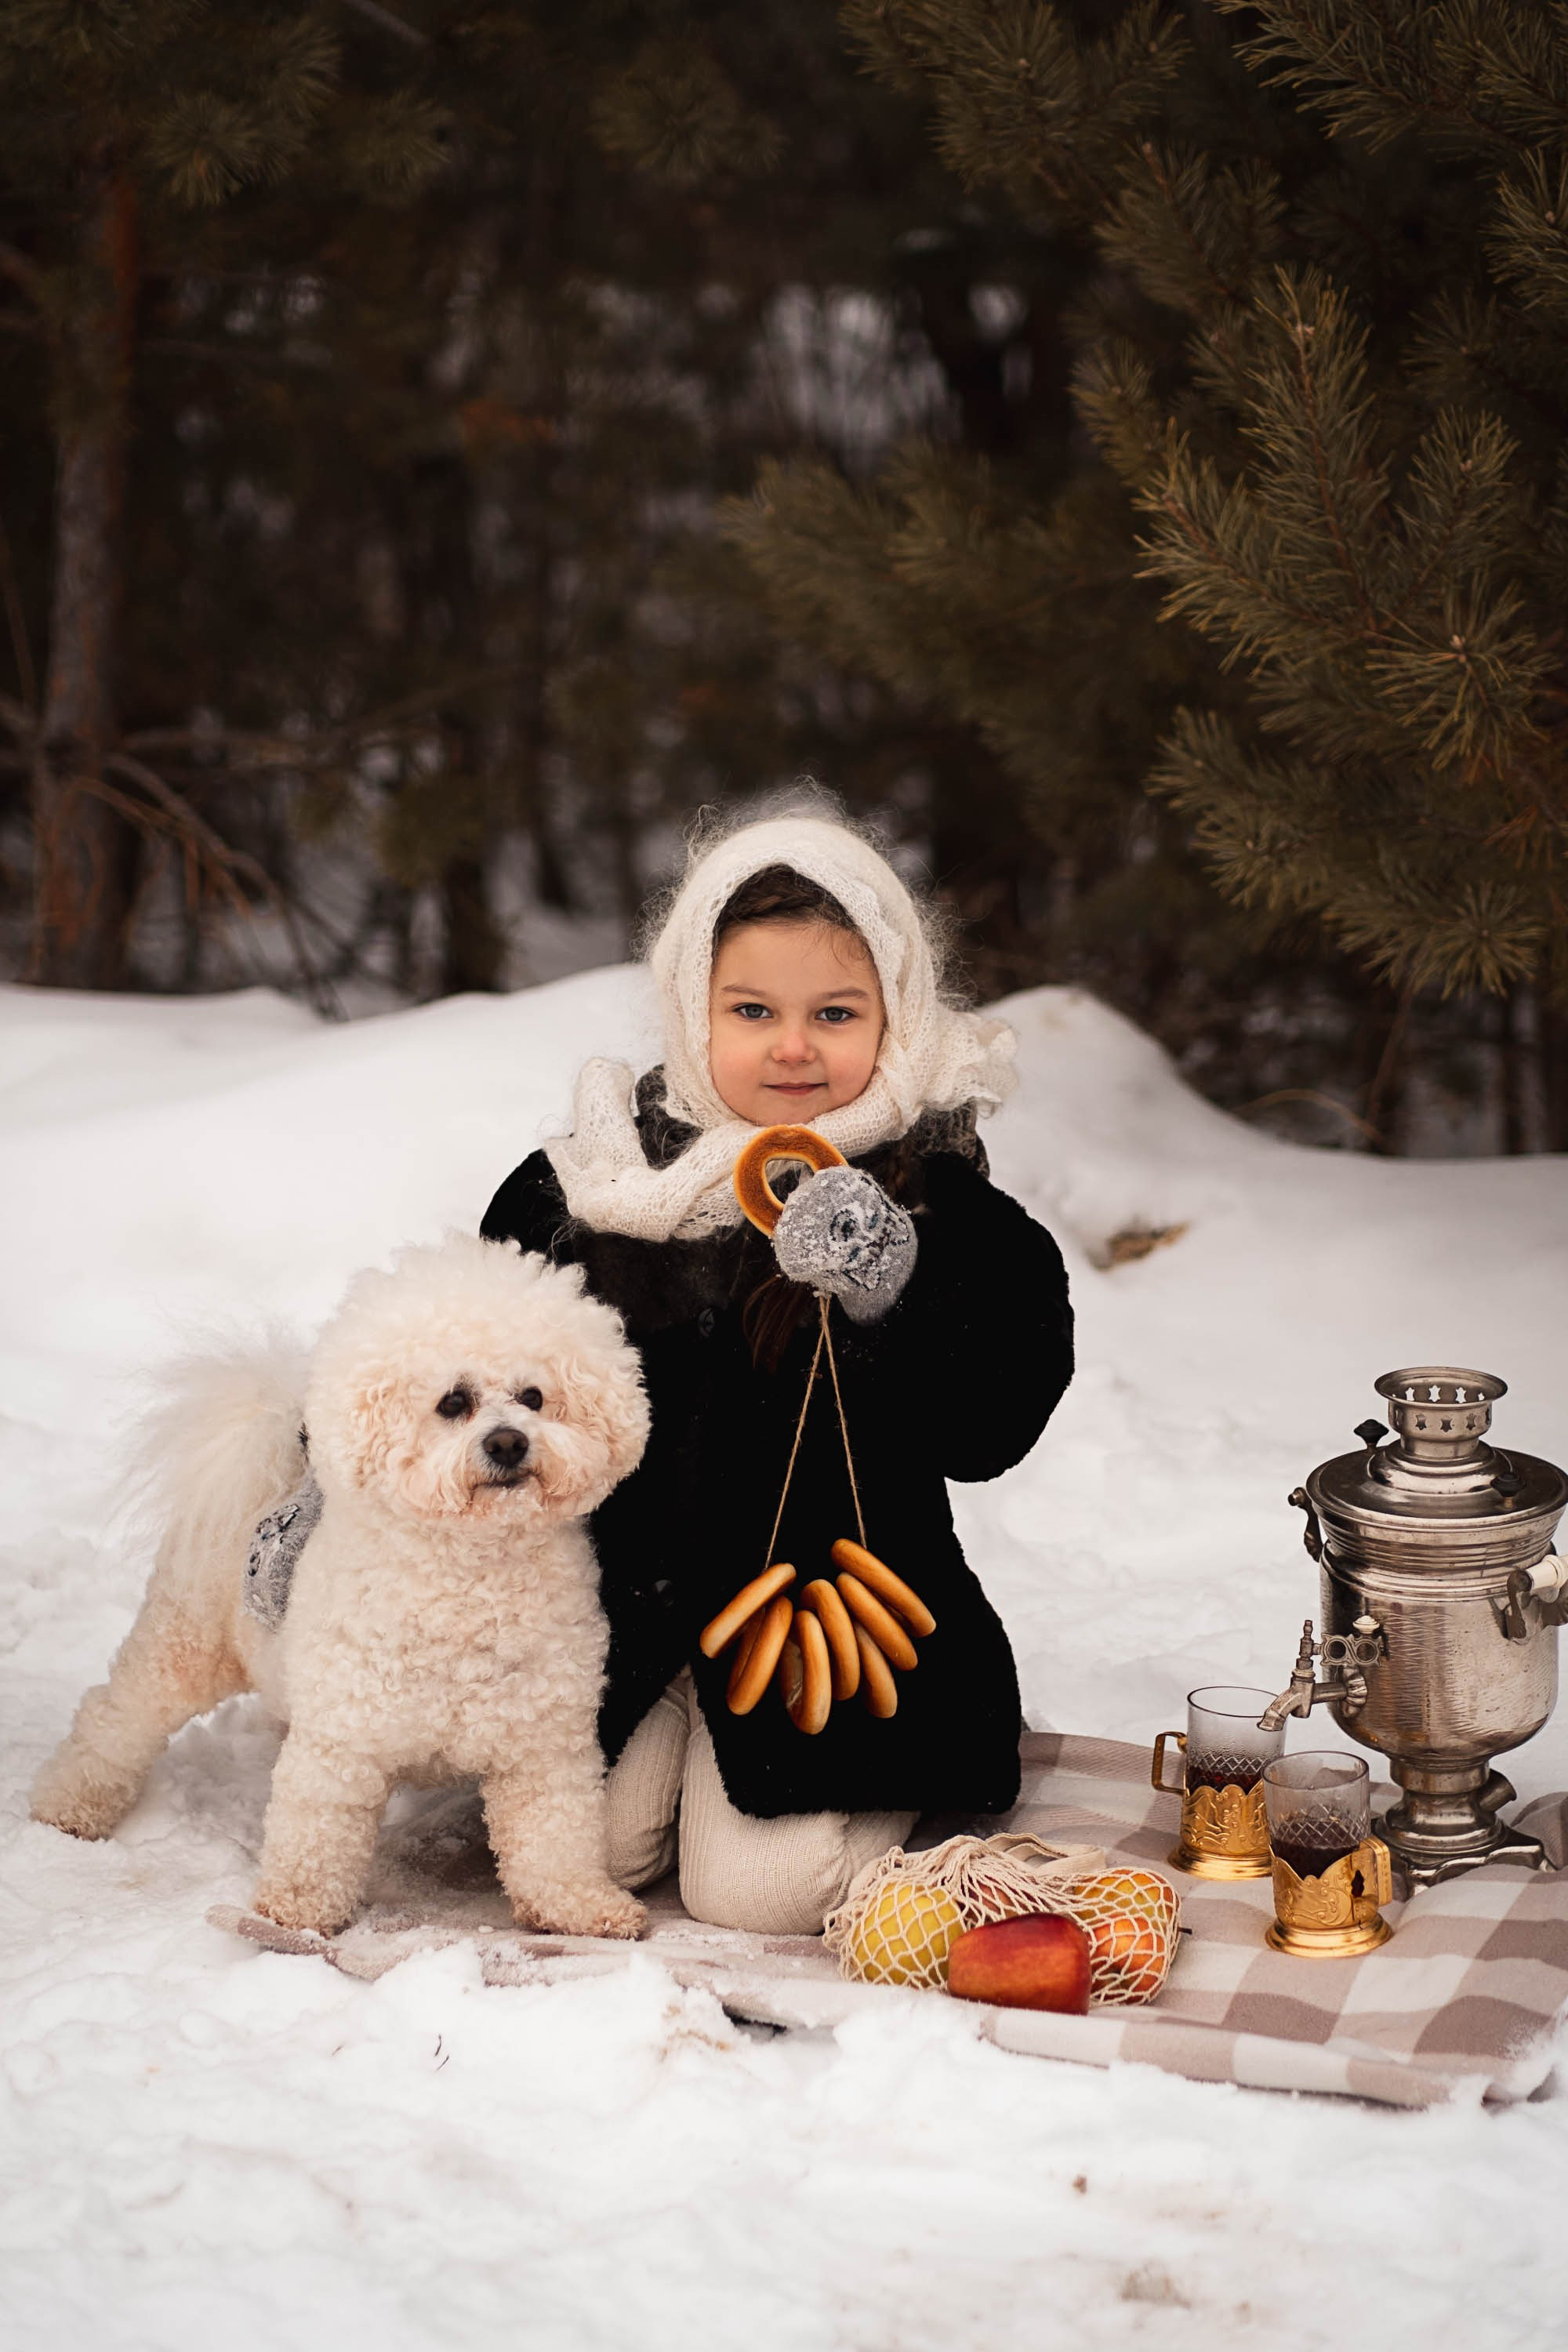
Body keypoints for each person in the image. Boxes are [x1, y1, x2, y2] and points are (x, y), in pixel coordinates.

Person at [481, 808, 1074, 1934]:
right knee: (581, 1849)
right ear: (690, 1010)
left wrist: (898, 1284)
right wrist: (337, 1495)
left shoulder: (934, 1194)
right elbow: (460, 1357)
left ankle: (803, 1787)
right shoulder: (591, 1183)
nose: (792, 1046)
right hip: (634, 1612)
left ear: (893, 1018)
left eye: (835, 1014)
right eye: (752, 1011)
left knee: (752, 1899)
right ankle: (678, 1715)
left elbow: (991, 1425)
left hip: (837, 1615)